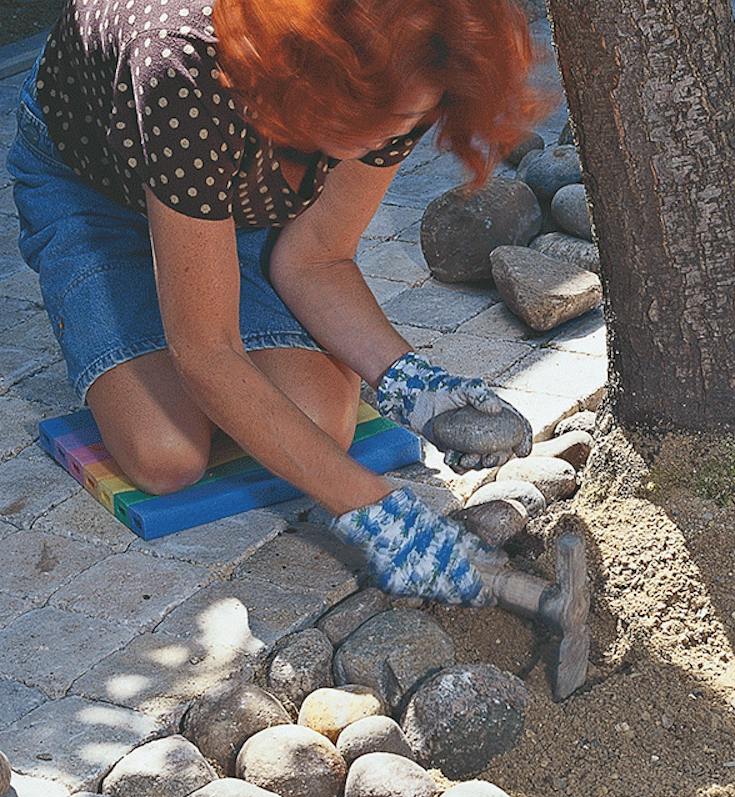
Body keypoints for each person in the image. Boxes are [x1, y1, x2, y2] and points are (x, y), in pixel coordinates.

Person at [6, 0, 549, 604]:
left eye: (409, 121)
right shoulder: (185, 70)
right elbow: (208, 353)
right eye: (385, 121)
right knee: (167, 454)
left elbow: (314, 258)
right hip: (94, 183)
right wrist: (376, 513)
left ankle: (198, 269)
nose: (394, 139)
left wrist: (415, 385)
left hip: (225, 177)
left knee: (320, 423)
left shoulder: (409, 64)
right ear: (317, 74)